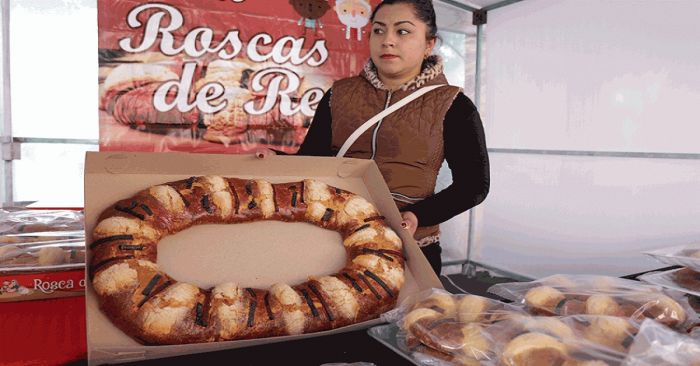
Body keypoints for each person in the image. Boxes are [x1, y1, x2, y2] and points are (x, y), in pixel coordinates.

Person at [266, 0, 490, 275]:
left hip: (411, 246)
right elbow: (313, 161)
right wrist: (276, 161)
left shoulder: (453, 104)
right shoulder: (339, 95)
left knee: (408, 318)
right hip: (336, 243)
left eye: (403, 31)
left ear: (429, 43)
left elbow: (474, 184)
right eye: (379, 31)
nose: (387, 41)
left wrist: (419, 216)